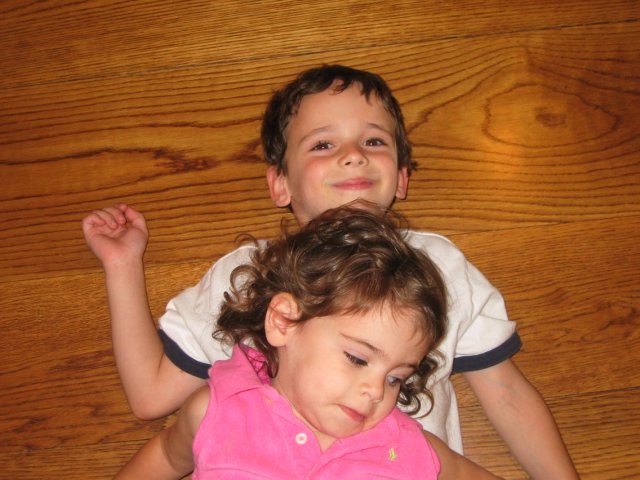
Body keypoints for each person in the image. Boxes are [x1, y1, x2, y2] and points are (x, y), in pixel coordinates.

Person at [83, 64, 578, 478]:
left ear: (401, 177)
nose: (353, 155)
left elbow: (506, 393)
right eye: (323, 145)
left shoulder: (441, 268)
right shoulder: (246, 273)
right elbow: (150, 397)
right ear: (280, 184)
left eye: (374, 141)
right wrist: (122, 266)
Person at [115, 205, 503, 479]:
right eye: (357, 358)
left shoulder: (407, 448)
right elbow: (167, 456)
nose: (375, 392)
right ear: (283, 322)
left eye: (395, 378)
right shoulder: (218, 412)